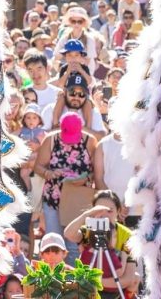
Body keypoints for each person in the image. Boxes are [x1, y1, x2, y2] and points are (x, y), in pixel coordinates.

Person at [33, 112, 96, 264]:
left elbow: (97, 170)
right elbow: (38, 167)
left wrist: (86, 178)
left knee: (74, 243)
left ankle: (73, 275)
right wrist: (49, 173)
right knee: (53, 241)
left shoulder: (89, 141)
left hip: (78, 201)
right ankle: (52, 275)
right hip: (53, 198)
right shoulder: (51, 140)